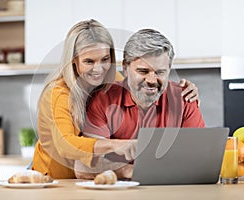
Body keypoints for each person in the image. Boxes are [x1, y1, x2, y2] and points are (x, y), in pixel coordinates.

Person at [32, 19, 200, 179]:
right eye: (89, 61)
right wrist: (117, 145)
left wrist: (185, 92)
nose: (98, 69)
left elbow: (141, 84)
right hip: (52, 177)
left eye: (105, 59)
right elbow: (65, 145)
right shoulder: (59, 93)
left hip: (86, 180)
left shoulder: (114, 81)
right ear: (73, 61)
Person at [75, 28, 205, 179]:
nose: (151, 80)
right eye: (143, 71)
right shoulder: (102, 99)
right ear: (125, 67)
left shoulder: (184, 98)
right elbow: (84, 166)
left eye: (160, 72)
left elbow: (199, 158)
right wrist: (129, 171)